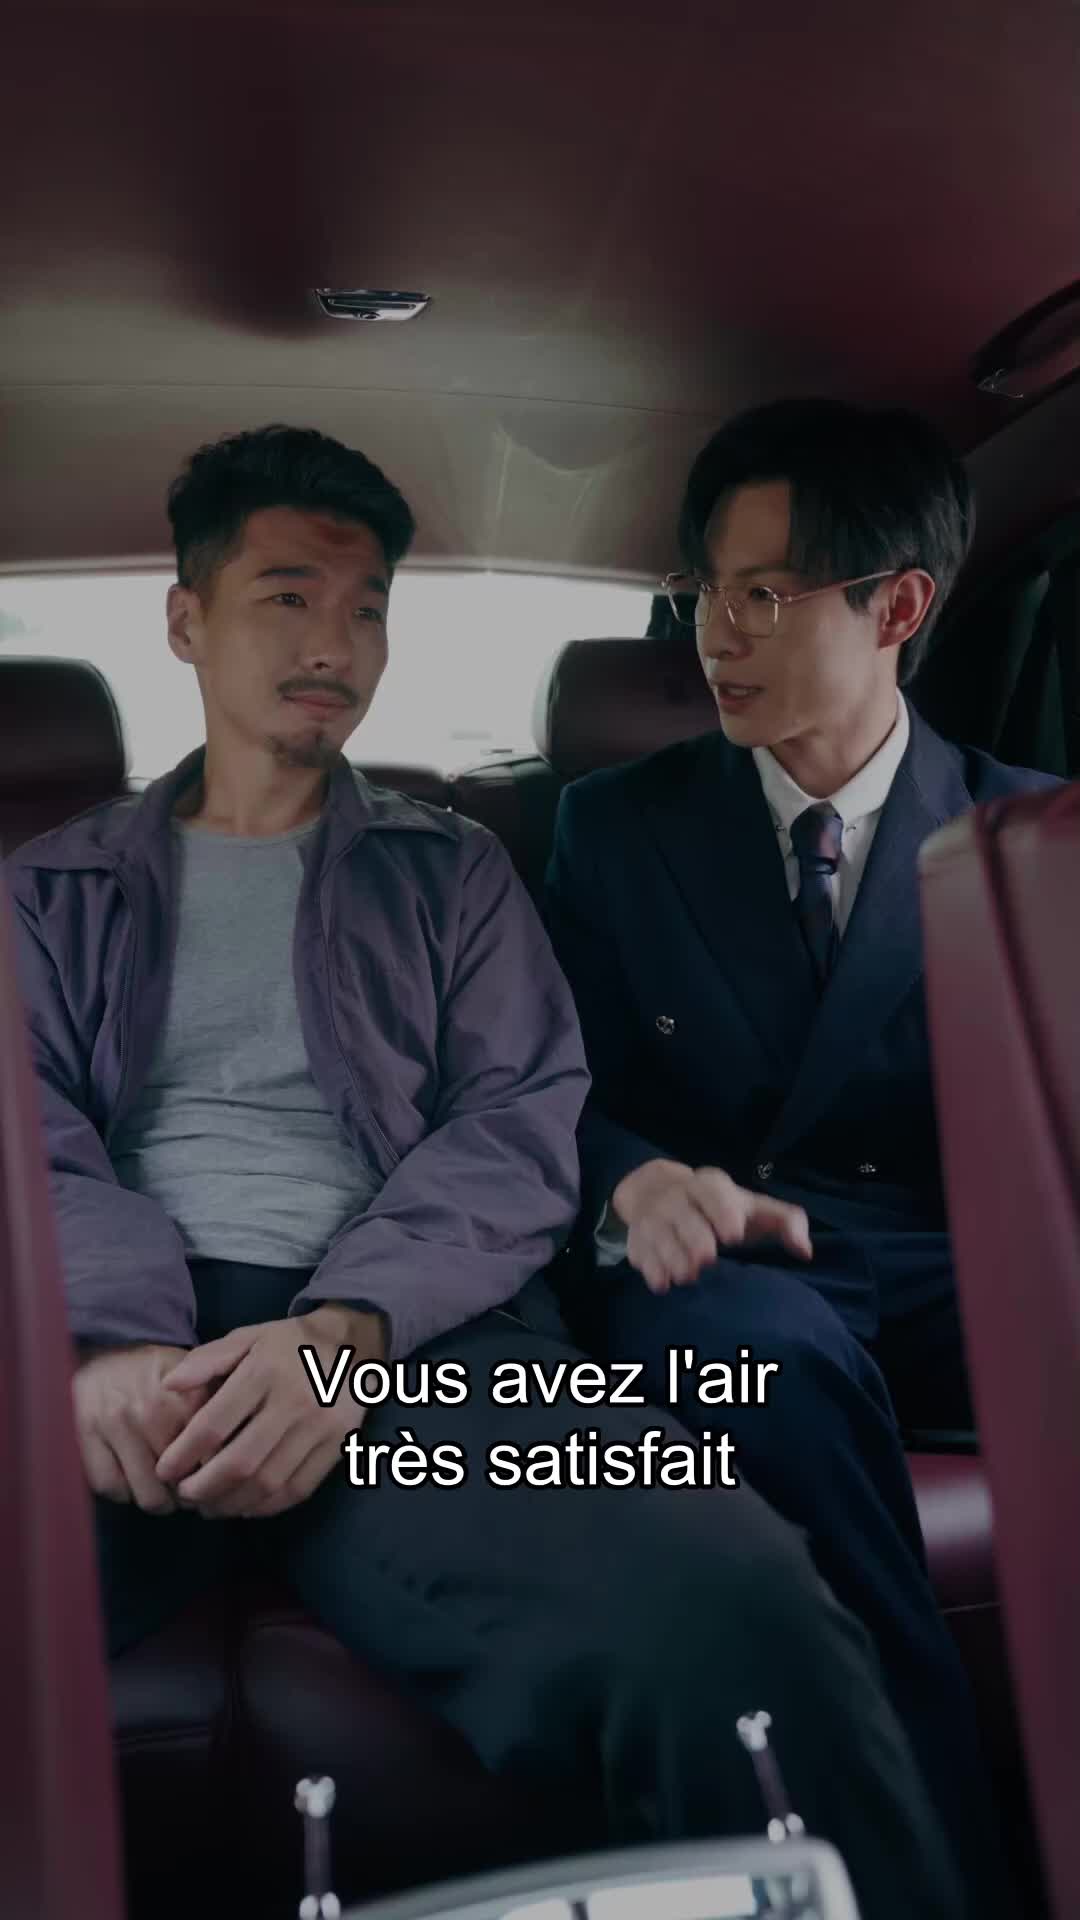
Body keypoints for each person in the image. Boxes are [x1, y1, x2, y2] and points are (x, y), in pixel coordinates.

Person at [9, 423, 967, 1920]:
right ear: (187, 620)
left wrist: (346, 1334)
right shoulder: (45, 889)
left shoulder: (452, 869)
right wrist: (103, 1344)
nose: (334, 644)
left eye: (367, 607)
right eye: (287, 597)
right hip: (103, 1351)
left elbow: (523, 1122)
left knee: (742, 1607)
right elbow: (27, 1138)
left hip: (434, 1350)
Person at [544, 396, 1060, 1917]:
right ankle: (935, 1875)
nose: (716, 633)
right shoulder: (613, 829)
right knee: (759, 1368)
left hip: (963, 1266)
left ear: (897, 607)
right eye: (706, 589)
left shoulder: (1028, 834)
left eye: (765, 593)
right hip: (722, 1269)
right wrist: (632, 1181)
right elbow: (549, 1093)